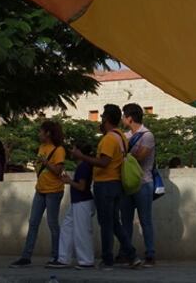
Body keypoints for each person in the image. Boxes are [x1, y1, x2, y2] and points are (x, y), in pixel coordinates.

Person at [71, 104, 139, 269]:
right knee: (115, 223)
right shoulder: (121, 136)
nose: (100, 119)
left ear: (107, 118)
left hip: (106, 184)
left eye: (102, 117)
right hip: (116, 184)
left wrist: (82, 156)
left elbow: (103, 162)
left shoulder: (109, 139)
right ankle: (131, 255)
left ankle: (107, 259)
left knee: (106, 224)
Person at [11, 121, 67, 268]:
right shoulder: (42, 147)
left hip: (54, 191)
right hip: (40, 190)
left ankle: (57, 256)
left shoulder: (59, 149)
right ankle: (26, 256)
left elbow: (58, 170)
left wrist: (45, 162)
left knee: (52, 223)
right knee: (33, 222)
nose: (39, 134)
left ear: (48, 133)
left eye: (41, 131)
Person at [119, 103, 157, 268]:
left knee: (145, 220)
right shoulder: (125, 135)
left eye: (123, 116)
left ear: (130, 118)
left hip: (143, 183)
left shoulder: (147, 135)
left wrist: (126, 153)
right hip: (127, 184)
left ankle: (150, 253)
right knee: (125, 221)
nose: (122, 119)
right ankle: (126, 252)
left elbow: (140, 156)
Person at [51, 141, 96, 269]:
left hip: (82, 201)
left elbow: (82, 187)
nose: (72, 151)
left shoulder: (84, 166)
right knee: (67, 227)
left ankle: (86, 261)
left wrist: (68, 181)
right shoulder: (83, 166)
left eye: (74, 148)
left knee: (82, 231)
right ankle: (63, 258)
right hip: (78, 201)